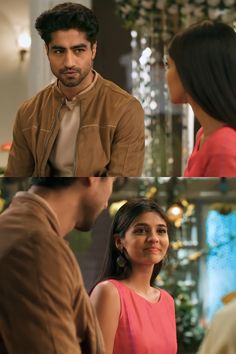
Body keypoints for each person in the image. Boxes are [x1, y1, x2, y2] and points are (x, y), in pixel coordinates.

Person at [5, 2, 144, 177]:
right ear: (46, 51)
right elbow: (16, 182)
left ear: (93, 50)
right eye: (59, 51)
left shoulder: (125, 109)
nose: (69, 62)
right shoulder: (29, 112)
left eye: (78, 50)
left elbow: (122, 183)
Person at [0, 177, 114, 354]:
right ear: (92, 176)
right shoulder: (35, 246)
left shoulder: (24, 229)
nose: (107, 202)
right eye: (112, 181)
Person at [90, 198, 177, 354]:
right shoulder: (109, 293)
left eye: (161, 231)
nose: (154, 238)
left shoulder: (167, 301)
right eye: (141, 230)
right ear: (119, 241)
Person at [165, 20, 236, 177]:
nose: (166, 75)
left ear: (191, 71)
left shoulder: (222, 144)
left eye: (168, 65)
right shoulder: (204, 134)